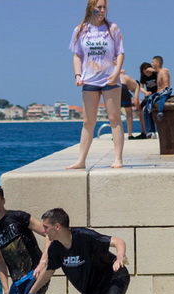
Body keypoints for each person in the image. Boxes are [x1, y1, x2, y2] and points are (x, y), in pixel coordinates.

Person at [67, 0, 125, 169]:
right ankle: (81, 160)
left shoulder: (112, 28)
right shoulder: (80, 30)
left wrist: (116, 74)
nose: (102, 10)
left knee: (114, 119)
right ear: (90, 8)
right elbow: (77, 55)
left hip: (110, 79)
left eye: (104, 7)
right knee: (88, 121)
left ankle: (118, 159)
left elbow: (120, 52)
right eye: (98, 7)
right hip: (89, 79)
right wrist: (77, 75)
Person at [119, 69, 141, 139]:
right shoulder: (137, 85)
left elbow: (122, 71)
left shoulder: (125, 76)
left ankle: (116, 134)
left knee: (116, 113)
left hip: (115, 85)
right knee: (129, 113)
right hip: (123, 87)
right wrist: (138, 109)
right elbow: (136, 101)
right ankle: (130, 135)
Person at [137, 61, 157, 138]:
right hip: (149, 94)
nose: (147, 74)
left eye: (148, 72)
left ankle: (152, 131)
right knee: (144, 109)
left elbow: (162, 71)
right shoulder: (143, 76)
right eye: (145, 72)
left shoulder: (156, 74)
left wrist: (153, 70)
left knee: (149, 110)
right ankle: (148, 131)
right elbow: (141, 87)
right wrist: (146, 92)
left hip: (156, 93)